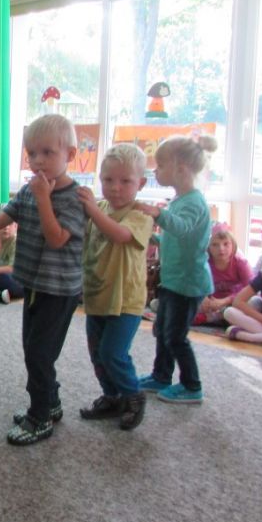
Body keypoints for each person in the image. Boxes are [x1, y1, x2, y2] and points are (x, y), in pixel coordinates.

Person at [0, 114, 87, 446]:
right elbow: (0, 219)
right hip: (33, 284)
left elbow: (56, 238)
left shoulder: (76, 197)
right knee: (33, 348)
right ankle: (51, 402)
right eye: (31, 153)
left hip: (60, 290)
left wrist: (43, 199)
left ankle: (39, 417)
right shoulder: (28, 190)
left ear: (70, 154)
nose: (37, 161)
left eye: (47, 152)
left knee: (39, 353)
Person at [135, 135, 217, 405]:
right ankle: (161, 375)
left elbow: (182, 228)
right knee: (162, 330)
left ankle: (192, 386)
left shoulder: (194, 202)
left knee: (175, 336)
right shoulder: (180, 200)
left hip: (188, 283)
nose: (155, 171)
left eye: (160, 166)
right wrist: (153, 238)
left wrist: (158, 214)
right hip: (174, 280)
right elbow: (176, 238)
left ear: (181, 169)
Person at [77, 143, 153, 431]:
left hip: (125, 301)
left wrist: (92, 210)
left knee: (113, 353)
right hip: (97, 296)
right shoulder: (100, 208)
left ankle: (133, 395)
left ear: (141, 184)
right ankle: (112, 397)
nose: (115, 187)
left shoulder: (140, 214)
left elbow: (120, 234)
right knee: (97, 354)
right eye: (108, 180)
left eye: (125, 181)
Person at [192, 223, 252, 325]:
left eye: (226, 244)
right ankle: (215, 318)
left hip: (234, 302)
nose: (221, 248)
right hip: (211, 303)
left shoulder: (241, 263)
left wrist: (224, 301)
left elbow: (251, 289)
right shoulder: (205, 264)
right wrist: (203, 297)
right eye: (215, 245)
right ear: (208, 247)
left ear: (233, 245)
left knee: (251, 303)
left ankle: (211, 318)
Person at [0, 215, 24, 304]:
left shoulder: (16, 242)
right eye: (4, 224)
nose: (6, 227)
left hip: (16, 279)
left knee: (12, 283)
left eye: (10, 224)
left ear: (16, 227)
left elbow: (12, 269)